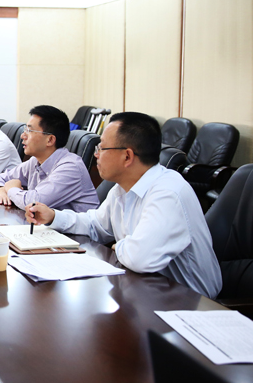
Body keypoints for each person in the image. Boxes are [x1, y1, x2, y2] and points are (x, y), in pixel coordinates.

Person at [26, 112, 221, 298]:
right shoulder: (122, 188)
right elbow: (96, 224)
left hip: (189, 301)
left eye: (101, 148)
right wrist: (53, 216)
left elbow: (139, 258)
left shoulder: (167, 192)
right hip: (146, 289)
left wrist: (117, 246)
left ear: (127, 156)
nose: (96, 155)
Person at [0, 105, 99, 211]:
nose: (23, 136)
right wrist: (1, 190)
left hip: (71, 226)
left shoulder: (71, 167)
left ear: (50, 140)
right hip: (42, 224)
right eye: (25, 129)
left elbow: (33, 203)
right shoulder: (35, 161)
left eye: (29, 131)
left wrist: (11, 189)